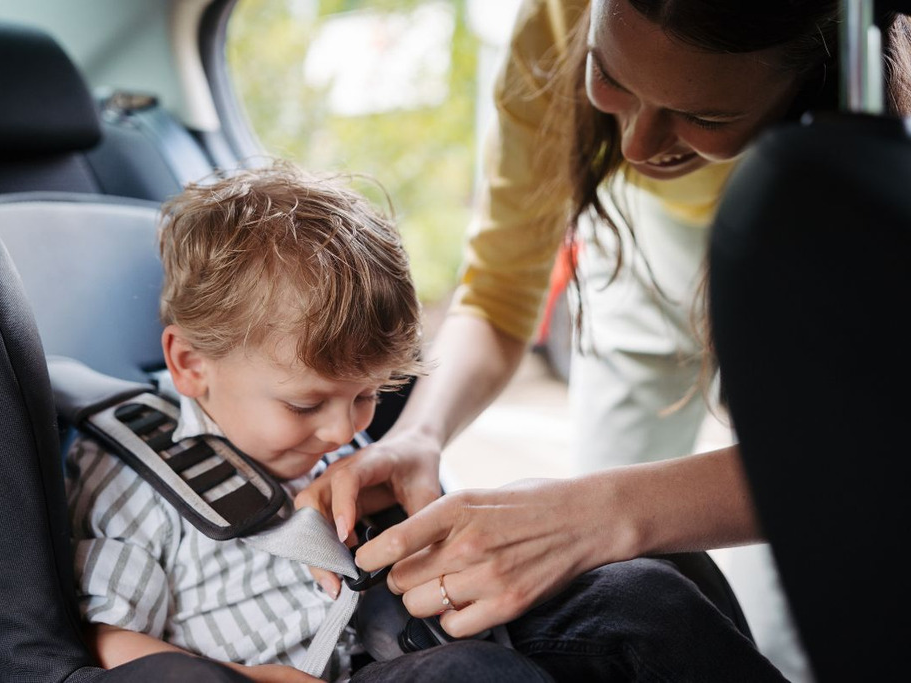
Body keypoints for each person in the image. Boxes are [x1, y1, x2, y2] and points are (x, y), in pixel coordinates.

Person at [297, 0, 911, 681]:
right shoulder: (559, 19)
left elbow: (869, 456)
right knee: (612, 561)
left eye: (705, 117)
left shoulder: (882, 106)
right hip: (628, 269)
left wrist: (607, 511)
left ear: (814, 81)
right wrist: (420, 433)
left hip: (815, 297)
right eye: (607, 74)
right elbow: (501, 295)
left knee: (797, 603)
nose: (637, 146)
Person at [63, 160, 426, 682]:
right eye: (305, 405)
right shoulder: (134, 483)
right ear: (191, 365)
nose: (344, 432)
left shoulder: (312, 437)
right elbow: (102, 639)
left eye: (368, 395)